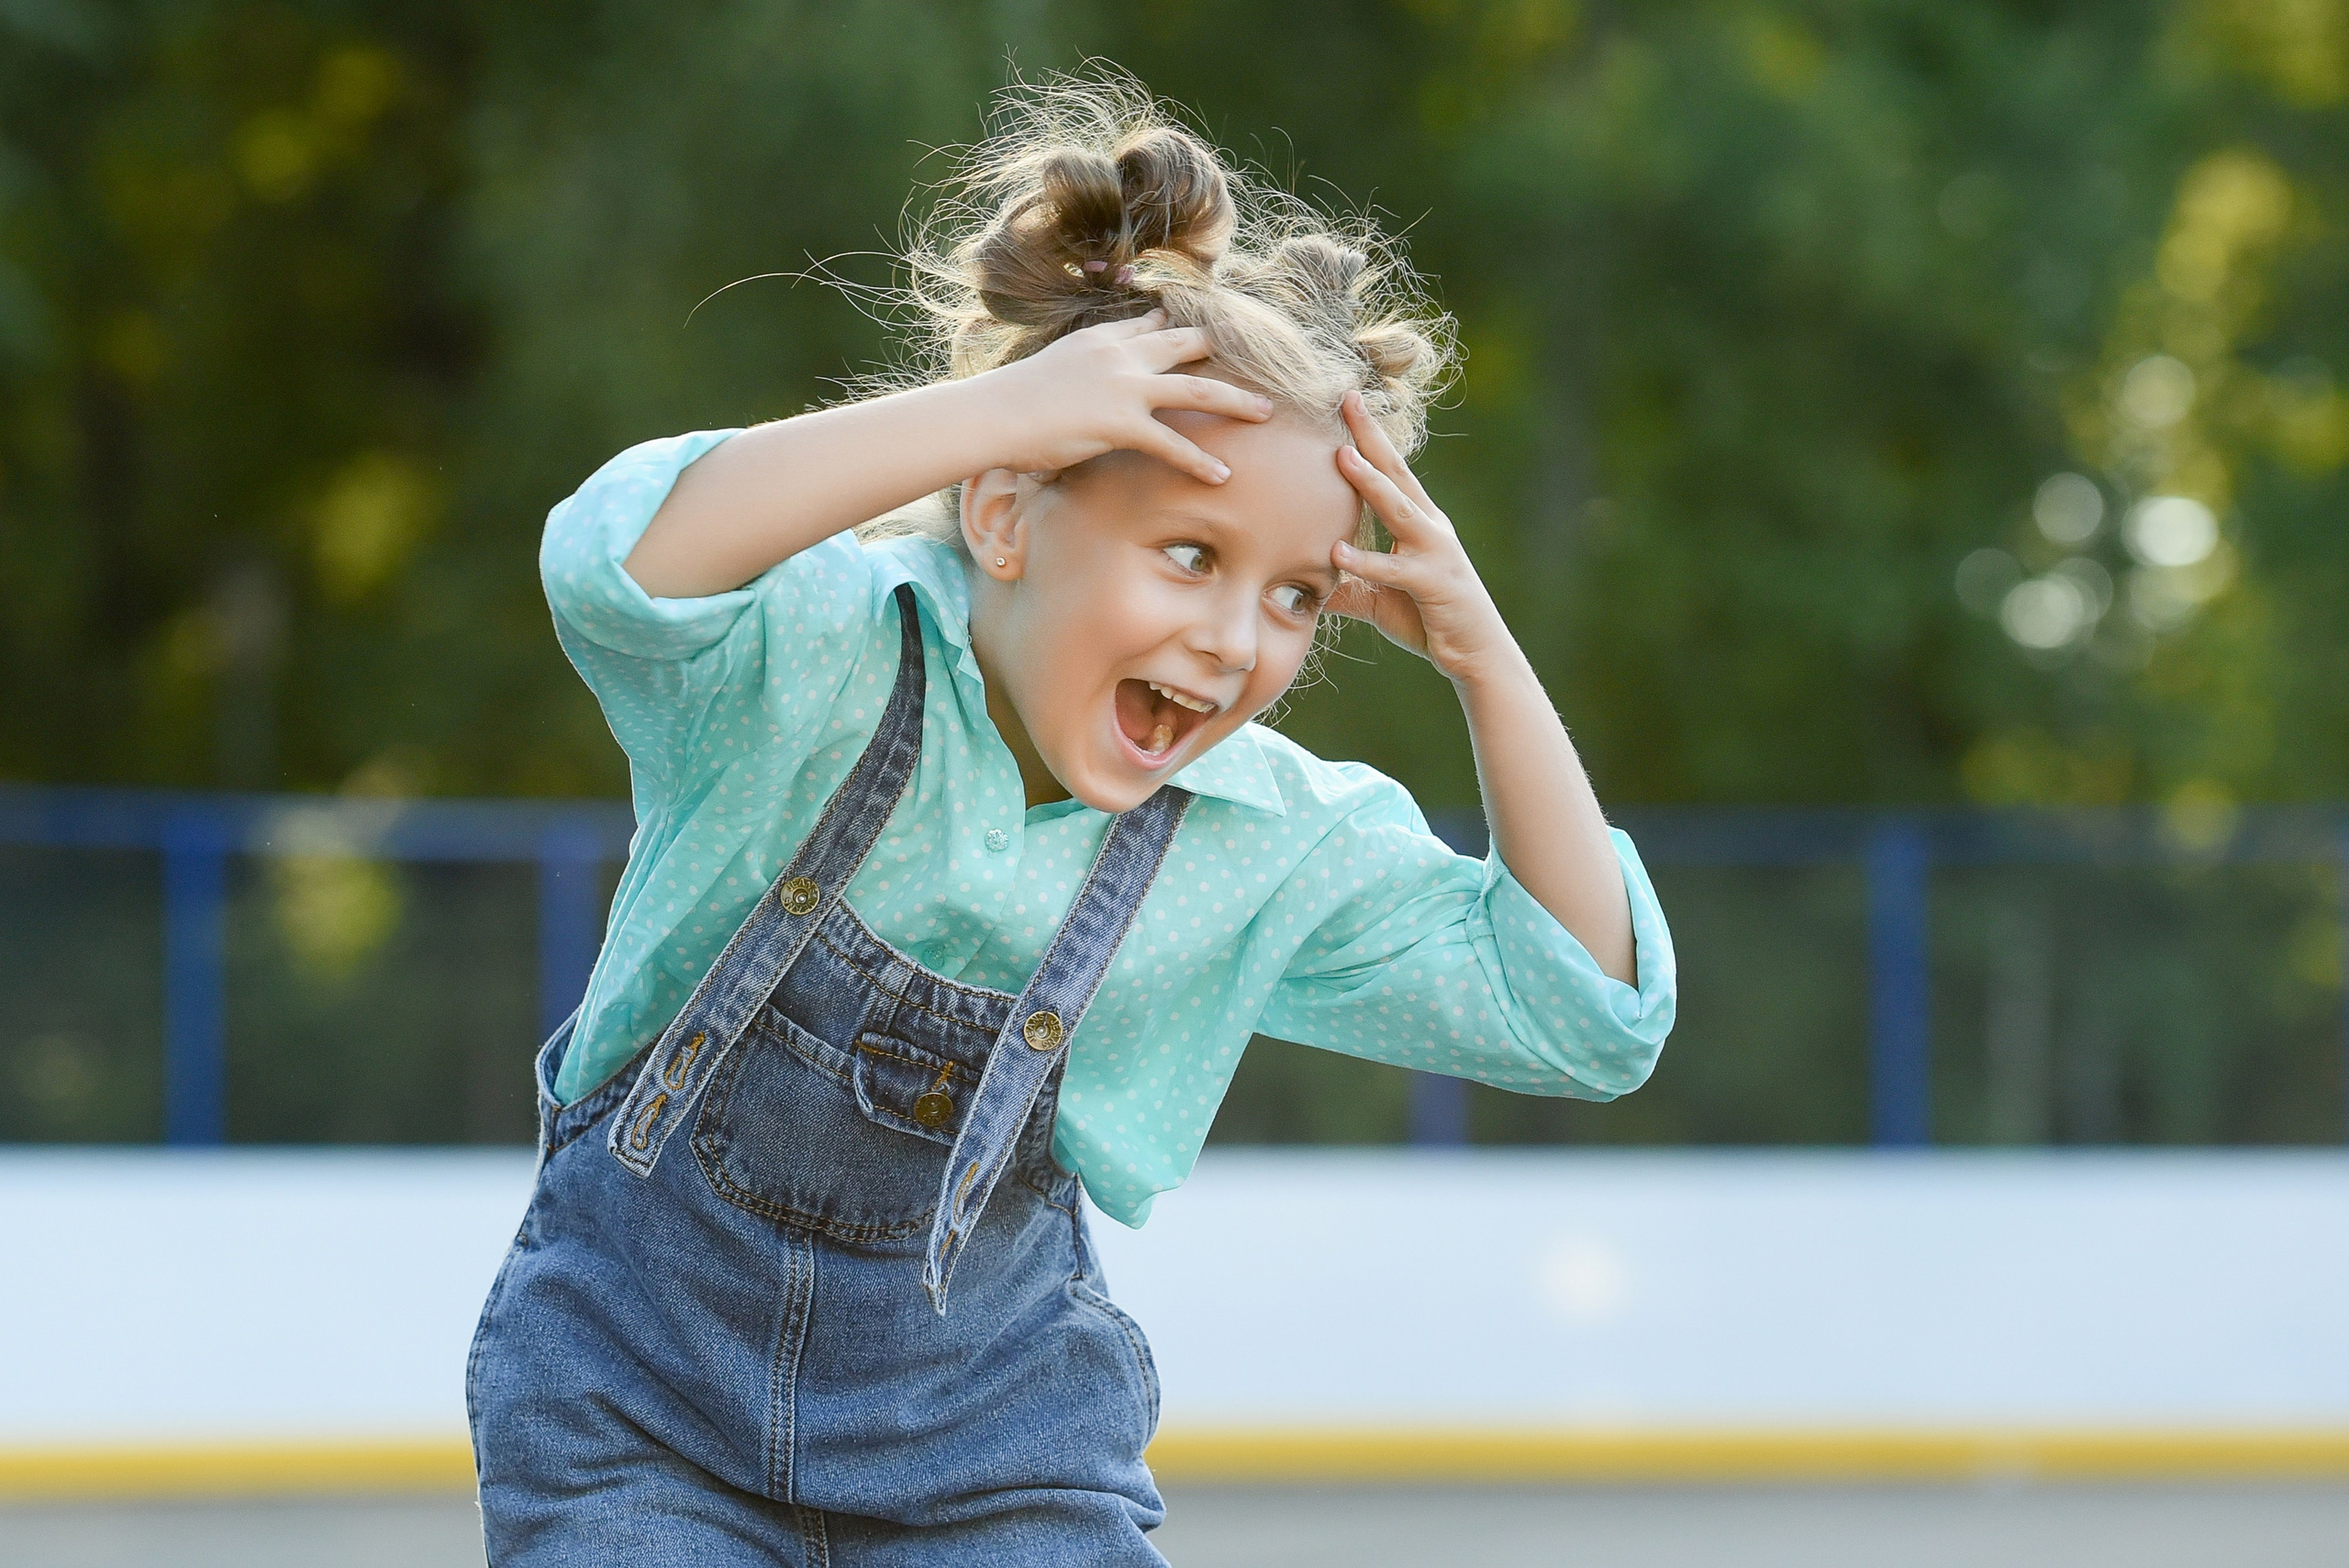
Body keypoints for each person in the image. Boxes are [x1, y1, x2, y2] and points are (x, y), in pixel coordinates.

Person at [468, 68, 1675, 1567]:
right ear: (1000, 514)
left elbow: (1587, 1009)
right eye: (1188, 551)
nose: (1241, 640)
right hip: (638, 1425)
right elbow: (611, 564)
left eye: (1298, 593)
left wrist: (1488, 657)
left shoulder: (1260, 835)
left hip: (998, 1458)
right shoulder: (816, 661)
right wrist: (1003, 409)